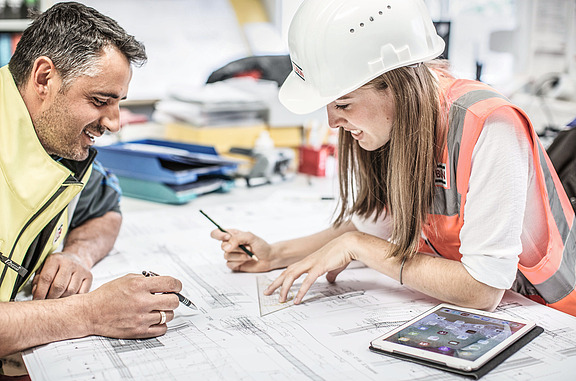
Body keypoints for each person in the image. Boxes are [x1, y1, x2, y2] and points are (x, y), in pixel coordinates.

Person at [211, 0, 576, 317]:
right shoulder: (395, 123)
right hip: (488, 317)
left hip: (553, 319)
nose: (332, 122)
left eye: (343, 104)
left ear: (395, 85)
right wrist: (274, 253)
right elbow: (372, 226)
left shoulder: (489, 124)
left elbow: (482, 289)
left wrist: (360, 248)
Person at [0, 2, 182, 360]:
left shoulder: (56, 141)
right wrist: (90, 313)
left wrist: (77, 255)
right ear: (44, 79)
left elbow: (107, 211)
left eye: (118, 103)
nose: (114, 123)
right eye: (101, 100)